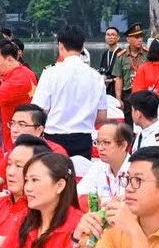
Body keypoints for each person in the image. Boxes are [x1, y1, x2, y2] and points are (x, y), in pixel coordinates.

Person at [0, 149, 79, 248]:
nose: (28, 188)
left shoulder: (77, 223)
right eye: (27, 180)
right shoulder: (25, 218)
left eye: (35, 180)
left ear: (59, 185)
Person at [31, 27, 105, 157]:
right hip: (84, 138)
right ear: (82, 47)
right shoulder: (96, 76)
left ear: (60, 46)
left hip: (54, 138)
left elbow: (38, 109)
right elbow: (101, 117)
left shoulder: (50, 73)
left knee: (53, 174)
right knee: (80, 175)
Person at [79, 119, 134, 200]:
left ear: (123, 145)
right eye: (97, 142)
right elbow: (79, 194)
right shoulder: (98, 166)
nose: (100, 148)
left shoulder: (136, 170)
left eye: (106, 143)